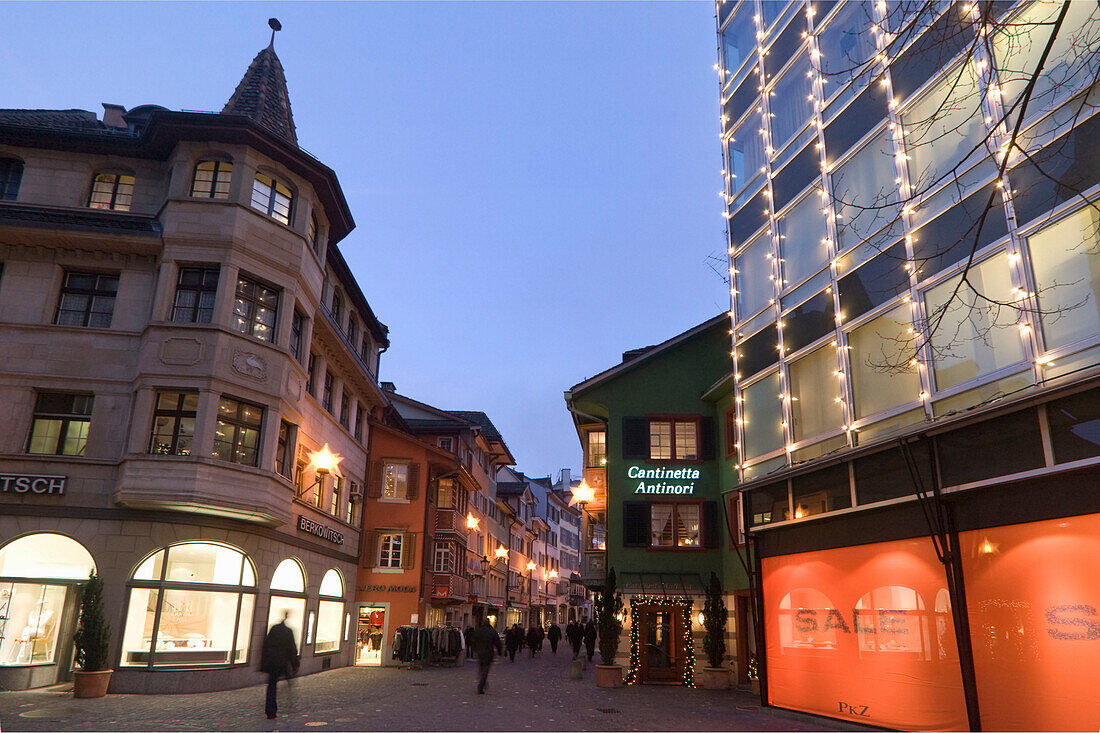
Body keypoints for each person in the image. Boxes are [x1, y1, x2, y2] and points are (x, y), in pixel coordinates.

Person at [260, 613, 299, 719]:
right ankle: (286, 703)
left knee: (271, 686)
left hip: (272, 662)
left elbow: (265, 646)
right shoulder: (288, 632)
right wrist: (295, 664)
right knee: (284, 681)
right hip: (282, 662)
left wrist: (263, 663)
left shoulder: (274, 629)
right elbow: (292, 649)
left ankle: (270, 710)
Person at [469, 618, 503, 694]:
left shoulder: (478, 631)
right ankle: (481, 684)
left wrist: (475, 649)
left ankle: (482, 681)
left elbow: (473, 640)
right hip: (488, 653)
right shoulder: (492, 631)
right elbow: (497, 642)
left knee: (481, 668)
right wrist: (500, 651)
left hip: (480, 652)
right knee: (485, 670)